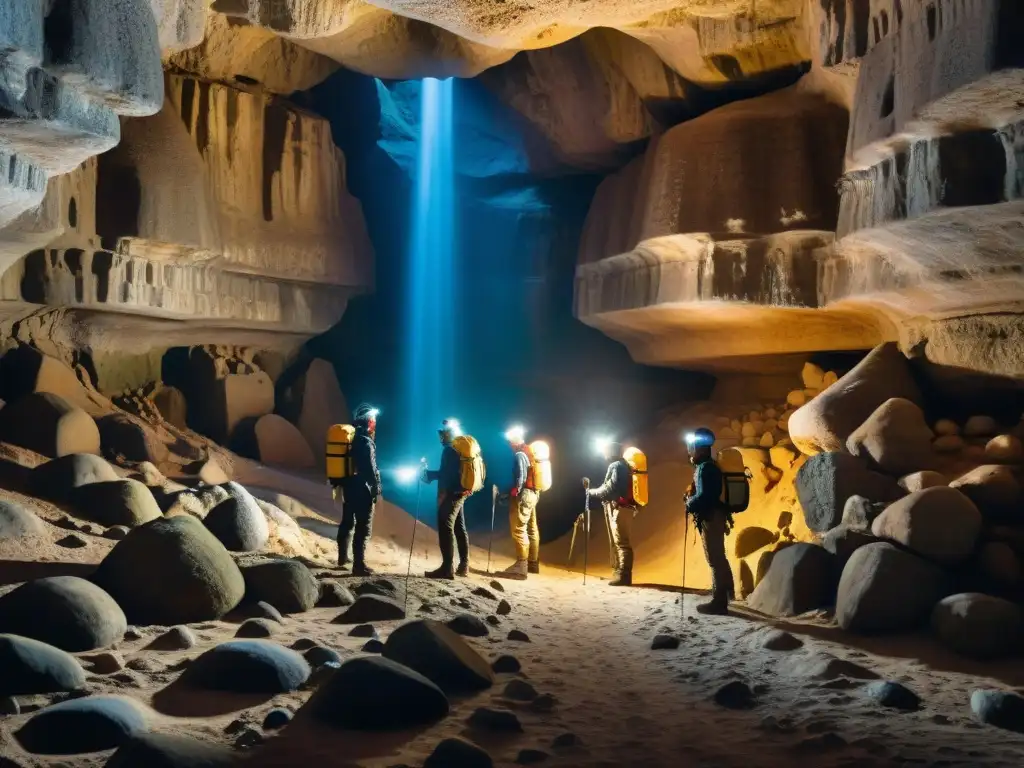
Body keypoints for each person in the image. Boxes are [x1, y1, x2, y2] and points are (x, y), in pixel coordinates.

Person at [685, 427, 735, 615]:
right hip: (715, 515)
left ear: (699, 449)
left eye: (691, 446)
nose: (689, 450)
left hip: (711, 516)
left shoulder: (706, 468)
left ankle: (719, 601)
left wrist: (690, 503)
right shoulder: (709, 466)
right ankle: (727, 593)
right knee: (718, 556)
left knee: (714, 558)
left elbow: (707, 496)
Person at [421, 418, 471, 579]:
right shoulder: (460, 449)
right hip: (461, 492)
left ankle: (447, 569)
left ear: (448, 434)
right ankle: (464, 565)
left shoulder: (449, 450)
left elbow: (446, 474)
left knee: (445, 527)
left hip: (452, 494)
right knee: (459, 528)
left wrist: (428, 474)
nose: (441, 437)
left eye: (442, 434)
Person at [336, 405, 382, 575]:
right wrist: (376, 486)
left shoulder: (351, 438)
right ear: (369, 422)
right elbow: (369, 468)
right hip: (362, 488)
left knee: (347, 522)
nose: (374, 425)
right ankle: (359, 565)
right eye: (373, 422)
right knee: (363, 527)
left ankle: (342, 557)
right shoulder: (365, 441)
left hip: (348, 486)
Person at [584, 441, 635, 587]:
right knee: (620, 541)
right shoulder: (623, 466)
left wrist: (592, 493)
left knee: (621, 542)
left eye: (606, 450)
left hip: (620, 508)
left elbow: (611, 488)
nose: (604, 454)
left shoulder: (616, 466)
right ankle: (620, 572)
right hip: (626, 507)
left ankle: (624, 575)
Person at [497, 426, 541, 580]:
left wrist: (516, 489)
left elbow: (521, 475)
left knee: (518, 528)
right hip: (534, 493)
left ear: (513, 442)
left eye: (509, 442)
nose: (509, 445)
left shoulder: (520, 454)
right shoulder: (530, 452)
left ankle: (521, 566)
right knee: (531, 528)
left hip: (525, 494)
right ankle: (533, 564)